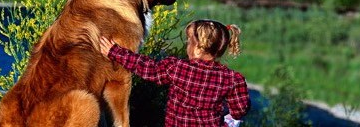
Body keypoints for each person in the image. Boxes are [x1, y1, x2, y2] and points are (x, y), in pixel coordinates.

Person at [100, 19, 251, 127]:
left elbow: (147, 68)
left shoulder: (177, 68)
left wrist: (115, 52)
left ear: (197, 48)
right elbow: (240, 109)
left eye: (189, 42)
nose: (187, 45)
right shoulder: (232, 79)